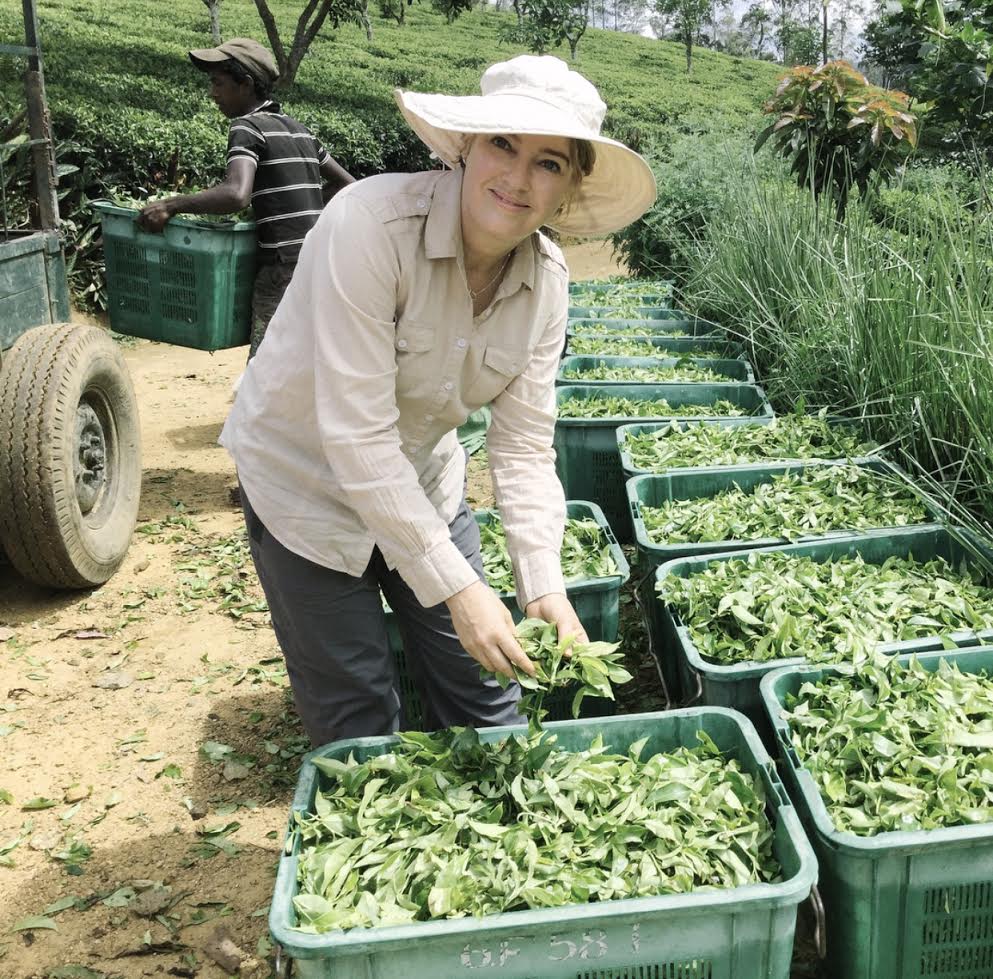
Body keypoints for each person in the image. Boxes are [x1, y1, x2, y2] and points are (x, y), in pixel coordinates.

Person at [219, 54, 657, 747]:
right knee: (359, 718)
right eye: (502, 145)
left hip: (422, 479)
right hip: (303, 484)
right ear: (466, 146)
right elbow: (356, 438)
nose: (515, 178)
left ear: (569, 188)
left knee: (488, 692)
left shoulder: (546, 283)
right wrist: (459, 590)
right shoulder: (367, 225)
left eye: (548, 163)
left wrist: (540, 584)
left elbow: (520, 444)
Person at [138, 38, 355, 357]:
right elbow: (347, 183)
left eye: (219, 83)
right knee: (305, 363)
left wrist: (171, 205)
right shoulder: (300, 130)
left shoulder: (248, 128)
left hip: (281, 270)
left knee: (266, 373)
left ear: (247, 85)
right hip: (317, 262)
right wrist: (302, 204)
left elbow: (236, 194)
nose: (212, 93)